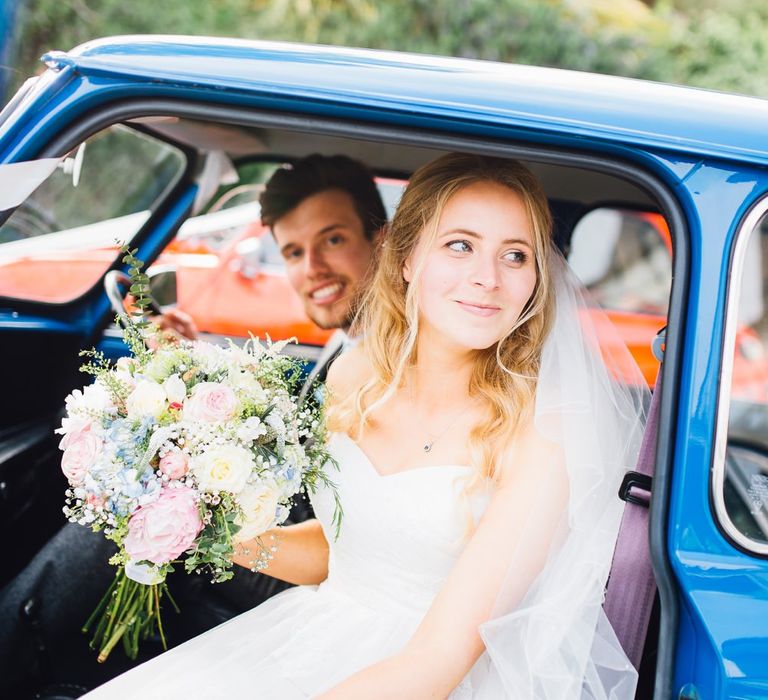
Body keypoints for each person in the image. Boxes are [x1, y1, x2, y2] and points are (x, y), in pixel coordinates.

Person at [82, 152, 648, 699]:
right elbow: (341, 552)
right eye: (460, 246)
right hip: (310, 633)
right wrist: (210, 531)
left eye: (516, 256)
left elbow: (436, 665)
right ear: (405, 259)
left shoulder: (542, 438)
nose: (488, 278)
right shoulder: (354, 376)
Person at [0, 154, 385, 697]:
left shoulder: (390, 363)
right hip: (281, 539)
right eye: (294, 252)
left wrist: (195, 517)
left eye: (333, 240)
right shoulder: (353, 337)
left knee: (120, 517)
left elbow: (340, 538)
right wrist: (194, 365)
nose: (312, 269)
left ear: (383, 239)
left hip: (298, 577)